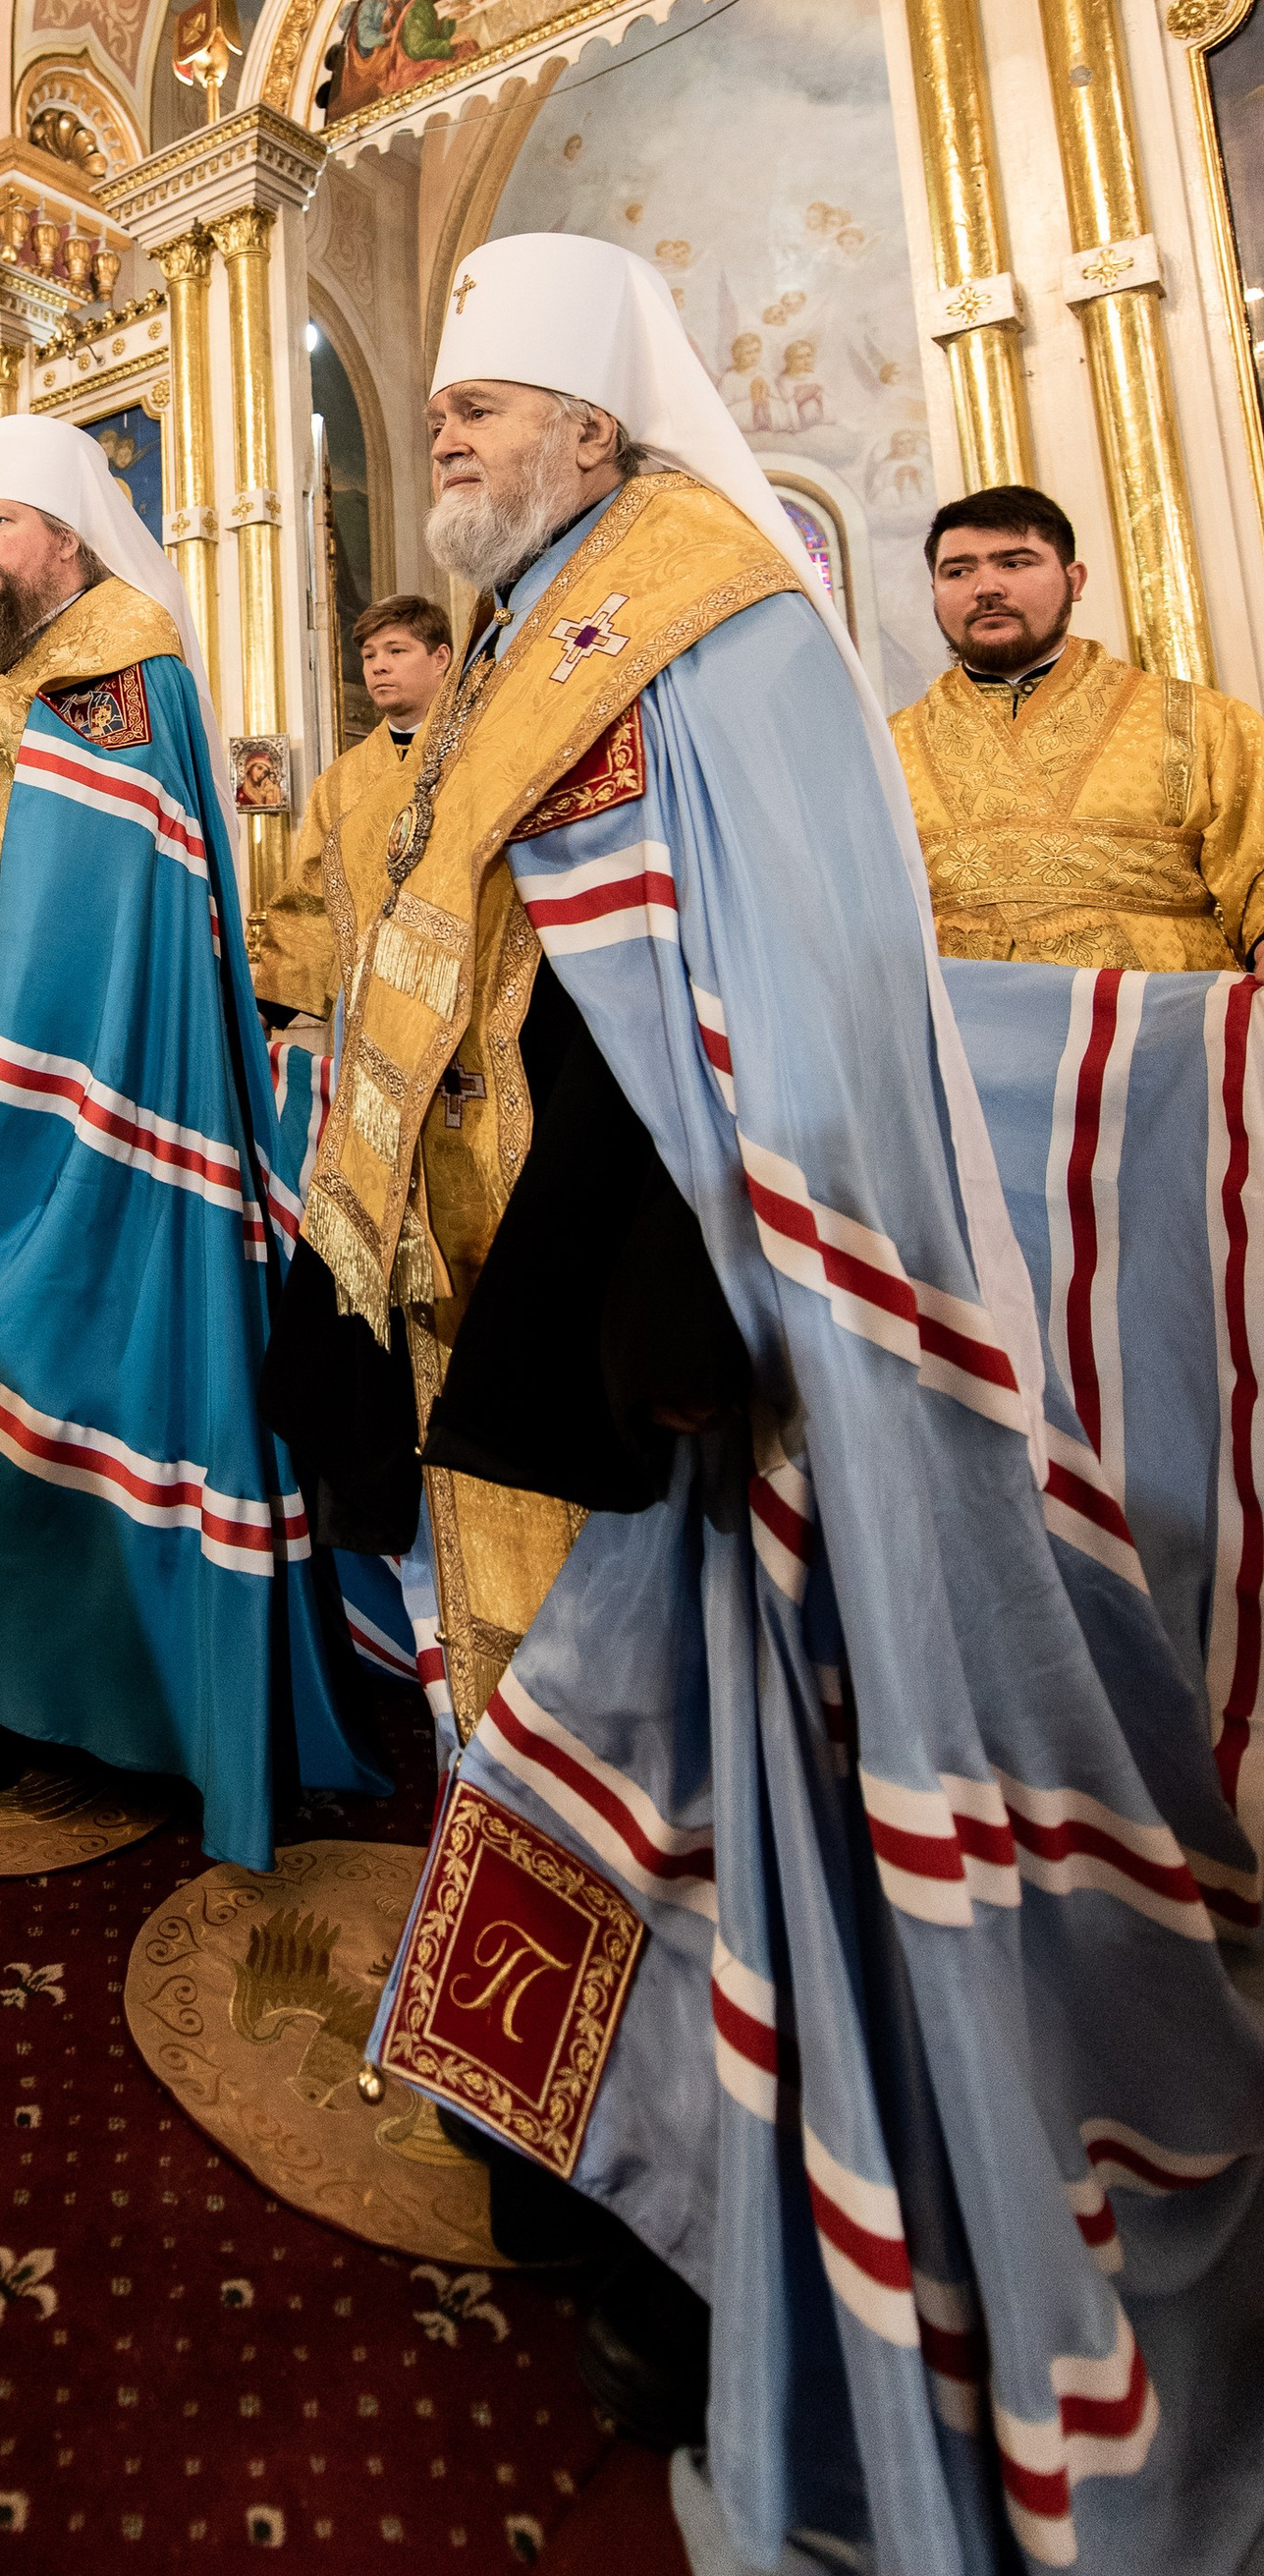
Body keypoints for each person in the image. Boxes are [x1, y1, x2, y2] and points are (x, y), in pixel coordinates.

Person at [264, 232, 1263, 2559]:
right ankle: (593, 2178)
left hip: (679, 1339)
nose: (445, 447)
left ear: (596, 427)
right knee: (556, 1741)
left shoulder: (708, 611)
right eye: (440, 415)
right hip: (514, 1319)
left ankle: (682, 2222)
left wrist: (716, 1302)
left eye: (481, 412)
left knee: (704, 1775)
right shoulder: (532, 632)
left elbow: (797, 990)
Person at [0, 412, 373, 1869]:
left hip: (92, 1108)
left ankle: (74, 1701)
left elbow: (112, 863)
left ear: (64, 538)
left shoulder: (127, 656)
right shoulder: (20, 665)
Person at [891, 481, 1264, 970]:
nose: (986, 588)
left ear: (1075, 580)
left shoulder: (1205, 722)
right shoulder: (886, 744)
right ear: (936, 593)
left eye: (1014, 563)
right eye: (958, 571)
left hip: (1158, 1028)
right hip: (968, 1027)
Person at [252, 593, 454, 1023]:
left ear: (441, 658)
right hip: (368, 991)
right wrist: (269, 1005)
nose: (378, 666)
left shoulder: (479, 750)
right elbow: (312, 892)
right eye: (369, 655)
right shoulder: (339, 782)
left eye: (396, 651)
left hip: (458, 976)